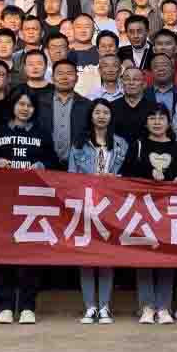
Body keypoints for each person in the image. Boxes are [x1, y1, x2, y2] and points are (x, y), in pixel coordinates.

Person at [0, 86, 56, 325]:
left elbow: (54, 161)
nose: (25, 109)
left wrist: (42, 166)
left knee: (30, 254)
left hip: (33, 201)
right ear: (13, 105)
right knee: (4, 252)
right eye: (21, 104)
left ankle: (27, 306)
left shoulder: (42, 133)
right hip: (3, 200)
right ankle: (5, 306)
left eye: (30, 105)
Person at [121, 105, 177, 324]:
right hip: (143, 209)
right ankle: (147, 306)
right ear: (146, 122)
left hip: (169, 211)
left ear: (169, 122)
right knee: (145, 257)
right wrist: (148, 176)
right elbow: (126, 176)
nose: (157, 122)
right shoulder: (138, 145)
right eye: (152, 117)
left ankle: (164, 306)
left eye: (161, 117)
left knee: (167, 258)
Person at [67, 99, 128, 325]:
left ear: (111, 117)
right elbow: (71, 176)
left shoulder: (121, 144)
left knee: (106, 257)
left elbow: (128, 176)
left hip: (111, 206)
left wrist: (115, 179)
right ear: (91, 116)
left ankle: (104, 306)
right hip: (85, 205)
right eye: (97, 112)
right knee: (86, 257)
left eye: (106, 112)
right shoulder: (79, 143)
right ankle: (89, 306)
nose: (101, 116)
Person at [39, 59, 90, 167]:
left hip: (77, 166)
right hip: (44, 164)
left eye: (69, 73)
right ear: (52, 78)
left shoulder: (87, 105)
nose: (64, 77)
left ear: (77, 78)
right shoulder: (39, 103)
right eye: (60, 73)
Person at [112, 64, 156, 142]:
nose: (131, 82)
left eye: (136, 79)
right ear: (121, 83)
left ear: (144, 84)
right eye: (127, 79)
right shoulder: (111, 107)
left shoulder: (154, 108)